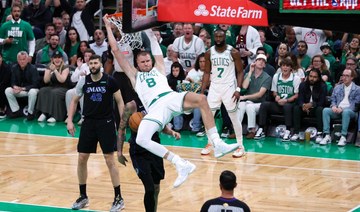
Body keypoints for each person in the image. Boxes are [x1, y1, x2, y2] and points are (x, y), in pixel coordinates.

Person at [104, 15, 239, 188]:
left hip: (171, 97)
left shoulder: (159, 68)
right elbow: (115, 50)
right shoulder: (134, 75)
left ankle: (217, 143)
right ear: (136, 64)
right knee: (141, 139)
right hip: (156, 108)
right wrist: (108, 26)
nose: (146, 63)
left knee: (202, 99)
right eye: (142, 62)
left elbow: (153, 42)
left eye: (147, 60)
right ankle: (180, 163)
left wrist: (146, 26)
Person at [67, 55, 125, 211]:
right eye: (90, 63)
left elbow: (120, 101)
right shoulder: (83, 81)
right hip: (88, 123)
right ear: (88, 65)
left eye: (95, 63)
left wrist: (123, 122)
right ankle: (83, 196)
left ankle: (118, 198)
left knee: (109, 159)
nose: (93, 65)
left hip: (106, 123)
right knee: (81, 158)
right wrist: (70, 120)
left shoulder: (110, 80)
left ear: (100, 64)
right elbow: (74, 100)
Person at [200, 29, 245, 158]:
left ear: (225, 37)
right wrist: (202, 91)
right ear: (214, 38)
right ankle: (210, 143)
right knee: (208, 117)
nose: (218, 39)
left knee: (234, 118)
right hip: (214, 87)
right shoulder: (209, 53)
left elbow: (240, 72)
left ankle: (240, 146)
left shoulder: (233, 52)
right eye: (216, 37)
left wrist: (238, 89)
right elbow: (207, 73)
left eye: (221, 36)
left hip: (229, 87)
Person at [255, 58, 301, 141]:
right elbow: (274, 92)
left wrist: (286, 100)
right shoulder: (276, 76)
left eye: (287, 66)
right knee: (264, 104)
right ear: (280, 67)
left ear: (291, 68)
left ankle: (288, 130)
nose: (285, 68)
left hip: (290, 104)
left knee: (287, 106)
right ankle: (261, 129)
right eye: (283, 66)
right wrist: (276, 97)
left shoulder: (296, 78)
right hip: (278, 103)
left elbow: (296, 95)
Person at [318, 69, 360, 146]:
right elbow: (333, 99)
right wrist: (333, 106)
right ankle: (327, 135)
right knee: (326, 110)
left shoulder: (357, 89)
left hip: (351, 112)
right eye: (343, 75)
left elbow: (355, 105)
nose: (344, 77)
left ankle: (343, 136)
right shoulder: (337, 87)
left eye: (347, 76)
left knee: (346, 112)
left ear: (352, 77)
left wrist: (343, 109)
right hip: (338, 110)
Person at [239, 54, 272, 139]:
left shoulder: (267, 77)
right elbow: (244, 86)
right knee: (241, 105)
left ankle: (252, 131)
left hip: (260, 103)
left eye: (263, 61)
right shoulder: (248, 74)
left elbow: (260, 95)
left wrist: (245, 97)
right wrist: (250, 72)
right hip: (249, 101)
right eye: (259, 60)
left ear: (265, 65)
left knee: (250, 106)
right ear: (255, 62)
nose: (261, 62)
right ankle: (236, 130)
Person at [291, 68, 327, 141]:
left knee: (320, 110)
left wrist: (312, 104)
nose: (312, 79)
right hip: (305, 108)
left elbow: (322, 102)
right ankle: (296, 133)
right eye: (310, 76)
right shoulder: (302, 85)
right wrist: (303, 105)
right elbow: (300, 99)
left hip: (315, 108)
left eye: (315, 77)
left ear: (318, 78)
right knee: (296, 108)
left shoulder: (323, 86)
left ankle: (320, 133)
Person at [36, 51, 70, 123]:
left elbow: (62, 80)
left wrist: (55, 70)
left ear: (62, 59)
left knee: (54, 92)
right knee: (43, 90)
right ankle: (44, 113)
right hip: (53, 86)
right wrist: (49, 71)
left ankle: (55, 116)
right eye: (55, 58)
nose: (57, 60)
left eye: (59, 58)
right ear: (52, 59)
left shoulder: (65, 67)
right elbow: (46, 81)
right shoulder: (49, 66)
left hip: (64, 88)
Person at [5, 51, 39, 120]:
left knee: (32, 92)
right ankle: (16, 111)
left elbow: (36, 84)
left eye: (24, 59)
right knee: (8, 90)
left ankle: (30, 113)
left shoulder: (33, 68)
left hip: (31, 90)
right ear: (17, 60)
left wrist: (22, 88)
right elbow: (12, 82)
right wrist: (15, 87)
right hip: (20, 90)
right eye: (20, 59)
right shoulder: (14, 68)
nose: (22, 61)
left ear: (27, 60)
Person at [0, 53, 11, 118]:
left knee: (1, 88)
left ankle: (2, 108)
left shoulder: (6, 67)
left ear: (1, 58)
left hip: (5, 85)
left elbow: (5, 81)